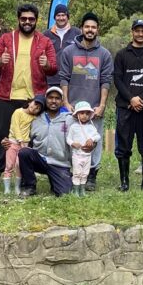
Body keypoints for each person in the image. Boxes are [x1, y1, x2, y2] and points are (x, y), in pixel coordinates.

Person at [0, 4, 57, 191]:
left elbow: (54, 67)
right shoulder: (7, 39)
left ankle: (28, 180)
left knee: (29, 142)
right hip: (7, 96)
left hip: (33, 99)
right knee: (0, 137)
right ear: (19, 19)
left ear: (36, 20)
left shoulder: (44, 41)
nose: (27, 22)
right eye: (24, 19)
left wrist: (46, 65)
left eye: (31, 19)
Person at [58, 12, 113, 191]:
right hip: (72, 106)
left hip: (93, 107)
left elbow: (106, 80)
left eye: (94, 27)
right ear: (81, 28)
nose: (90, 30)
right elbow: (64, 77)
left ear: (98, 30)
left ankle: (91, 175)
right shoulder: (68, 51)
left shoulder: (104, 54)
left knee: (93, 142)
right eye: (87, 27)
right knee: (70, 140)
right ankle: (70, 173)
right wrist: (65, 102)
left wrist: (102, 105)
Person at [113, 18, 143, 192]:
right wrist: (131, 99)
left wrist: (141, 98)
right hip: (125, 106)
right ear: (132, 32)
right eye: (137, 30)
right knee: (123, 143)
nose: (140, 34)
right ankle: (124, 182)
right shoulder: (122, 54)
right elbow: (117, 78)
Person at [18, 86, 72, 196]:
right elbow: (22, 134)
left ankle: (59, 179)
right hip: (41, 159)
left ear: (61, 101)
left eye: (57, 98)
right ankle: (29, 186)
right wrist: (10, 141)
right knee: (24, 153)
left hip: (59, 163)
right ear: (45, 99)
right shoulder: (36, 118)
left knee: (64, 193)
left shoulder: (69, 119)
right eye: (50, 97)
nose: (53, 101)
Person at [1, 96, 44, 194]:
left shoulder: (34, 117)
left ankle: (17, 188)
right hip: (13, 143)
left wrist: (24, 144)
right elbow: (16, 127)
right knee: (9, 165)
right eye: (34, 104)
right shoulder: (18, 112)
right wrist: (20, 141)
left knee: (19, 166)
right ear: (30, 102)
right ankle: (7, 189)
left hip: (24, 145)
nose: (34, 108)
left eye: (38, 108)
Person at [67, 101, 100, 196]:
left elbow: (97, 136)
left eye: (87, 113)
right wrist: (73, 143)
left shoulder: (91, 127)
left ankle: (82, 190)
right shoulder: (74, 127)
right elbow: (68, 138)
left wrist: (91, 139)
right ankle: (76, 190)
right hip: (77, 155)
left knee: (85, 173)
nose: (84, 115)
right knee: (77, 173)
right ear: (77, 114)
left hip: (87, 155)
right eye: (82, 113)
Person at [43, 4, 76, 85]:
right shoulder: (46, 34)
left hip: (71, 80)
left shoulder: (77, 33)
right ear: (54, 17)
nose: (61, 18)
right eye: (58, 15)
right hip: (50, 80)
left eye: (63, 15)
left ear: (67, 16)